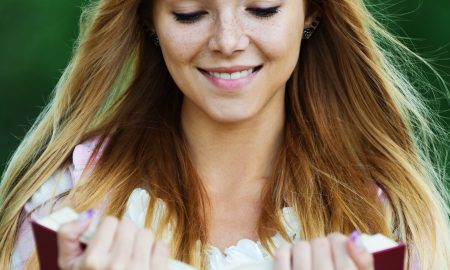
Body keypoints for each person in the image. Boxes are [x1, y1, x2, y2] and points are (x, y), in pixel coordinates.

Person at [1, 0, 449, 269]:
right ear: (149, 20)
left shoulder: (392, 219)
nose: (228, 41)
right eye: (191, 13)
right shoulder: (64, 202)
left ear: (311, 11)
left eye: (262, 8)